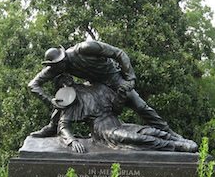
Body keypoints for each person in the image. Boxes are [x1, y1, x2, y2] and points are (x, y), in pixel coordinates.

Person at [28, 40, 185, 140]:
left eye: (57, 66)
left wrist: (130, 78)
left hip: (114, 80)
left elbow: (119, 53)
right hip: (97, 87)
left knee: (140, 106)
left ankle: (169, 133)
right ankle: (53, 126)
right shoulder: (57, 67)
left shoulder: (85, 48)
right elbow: (33, 85)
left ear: (63, 58)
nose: (56, 70)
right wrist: (51, 101)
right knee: (66, 95)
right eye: (54, 67)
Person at [52, 74, 198, 153]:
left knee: (150, 131)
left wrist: (121, 96)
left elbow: (116, 109)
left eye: (66, 78)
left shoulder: (99, 88)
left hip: (117, 123)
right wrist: (72, 140)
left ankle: (179, 141)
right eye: (62, 82)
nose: (66, 81)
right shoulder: (72, 101)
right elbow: (64, 125)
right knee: (137, 138)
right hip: (103, 130)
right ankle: (176, 147)